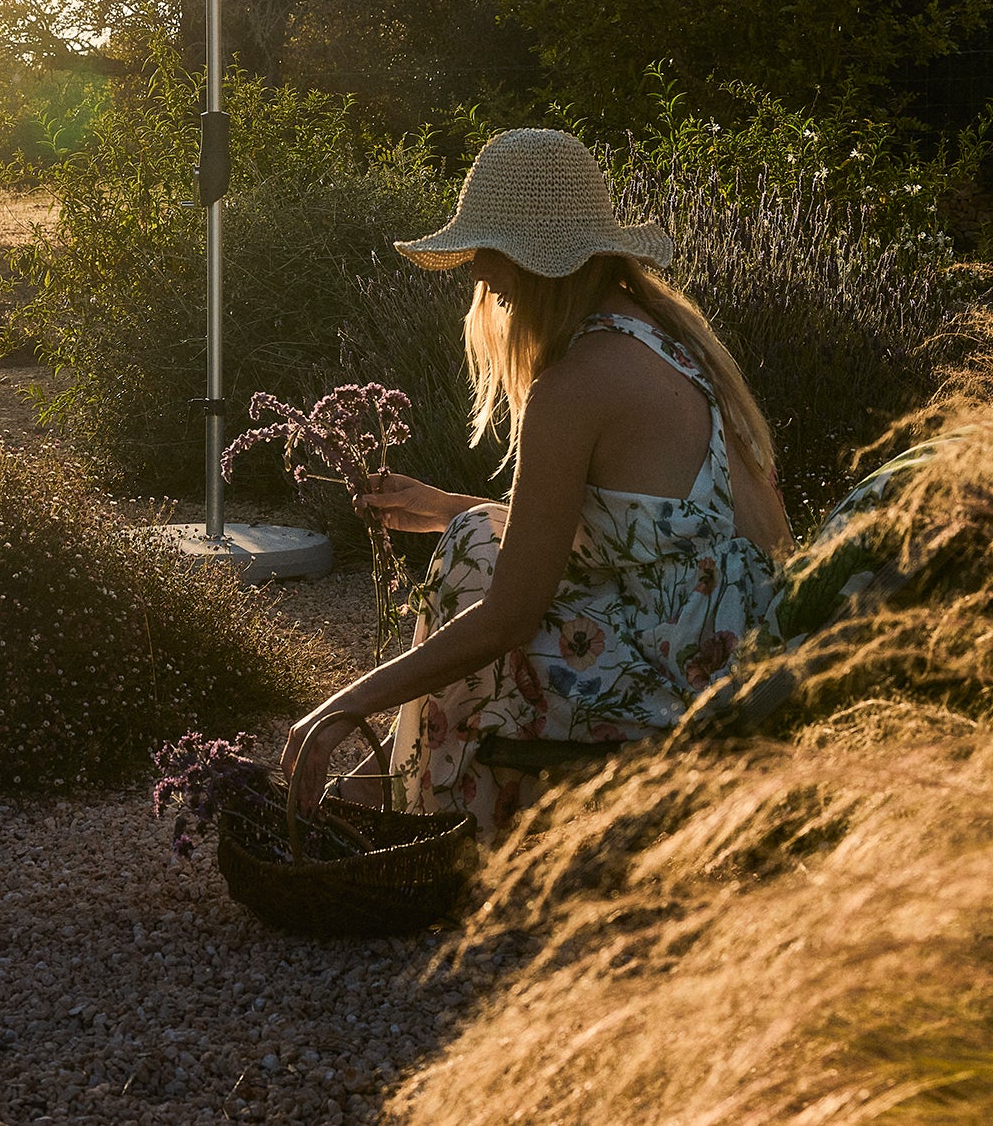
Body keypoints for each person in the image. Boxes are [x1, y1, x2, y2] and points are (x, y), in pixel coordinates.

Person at [280, 128, 796, 838]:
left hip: (689, 683)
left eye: (487, 250)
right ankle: (388, 793)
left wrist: (344, 707)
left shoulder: (575, 384)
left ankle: (441, 828)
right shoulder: (658, 332)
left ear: (531, 260)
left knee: (472, 567)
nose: (479, 276)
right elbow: (642, 534)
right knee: (473, 530)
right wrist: (446, 505)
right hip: (739, 644)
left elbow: (511, 617)